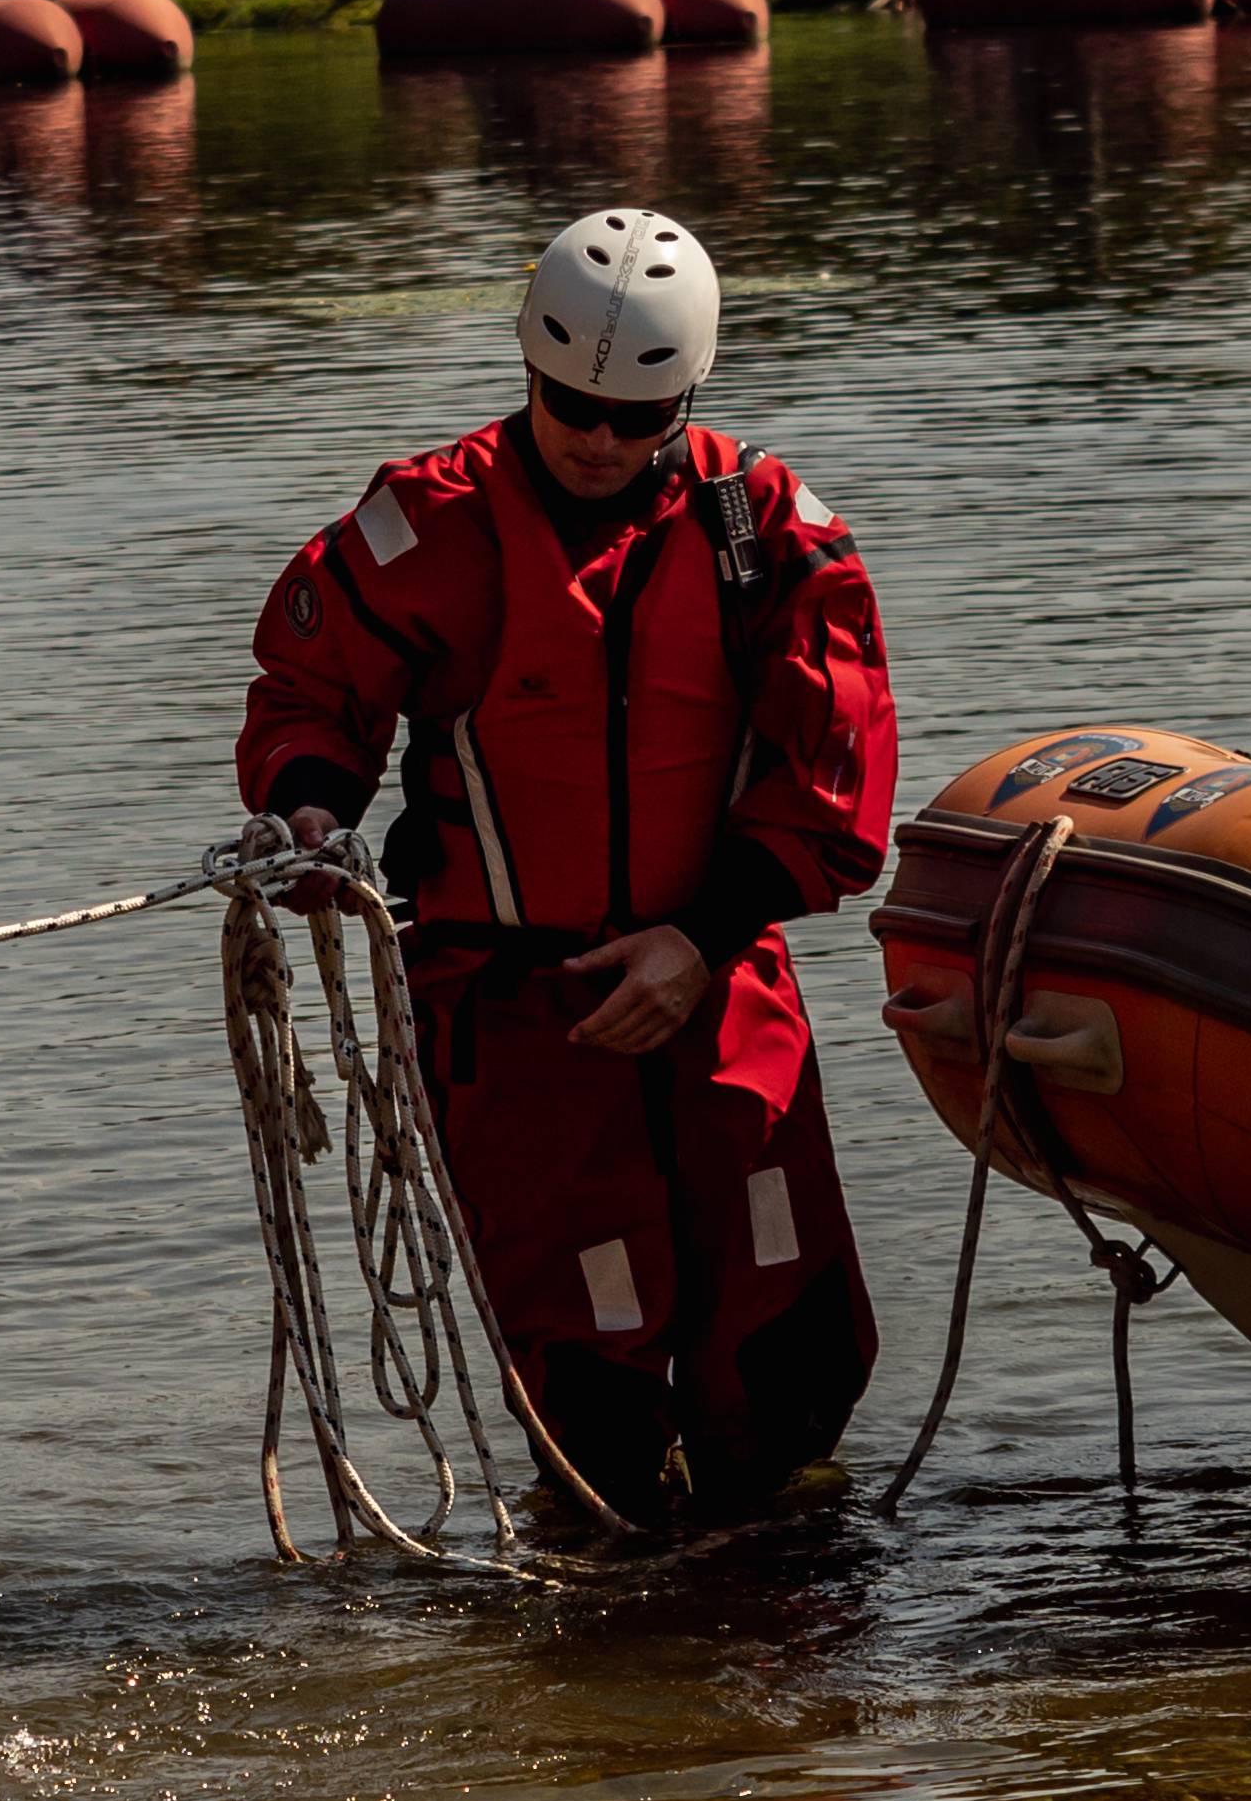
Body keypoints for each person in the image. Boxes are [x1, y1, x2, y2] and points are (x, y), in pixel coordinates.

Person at [238, 205, 897, 1525]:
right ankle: (614, 1587)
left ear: (688, 396)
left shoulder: (764, 531)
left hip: (715, 978)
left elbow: (837, 760)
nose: (596, 441)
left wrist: (701, 940)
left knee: (790, 1348)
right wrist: (311, 817)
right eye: (569, 405)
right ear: (528, 373)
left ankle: (766, 1671)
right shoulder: (428, 528)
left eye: (633, 419)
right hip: (519, 1009)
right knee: (591, 1374)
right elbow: (311, 694)